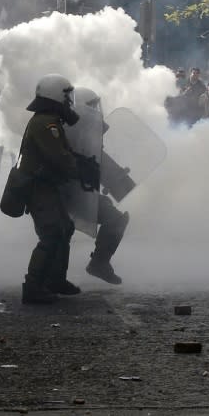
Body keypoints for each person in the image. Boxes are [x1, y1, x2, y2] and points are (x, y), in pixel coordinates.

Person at [17, 74, 98, 304]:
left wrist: (81, 161)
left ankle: (55, 280)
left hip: (46, 184)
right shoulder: (46, 123)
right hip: (37, 186)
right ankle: (33, 287)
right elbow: (59, 157)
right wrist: (81, 168)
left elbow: (63, 153)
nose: (69, 103)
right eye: (66, 97)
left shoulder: (50, 120)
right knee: (52, 232)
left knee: (65, 228)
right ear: (54, 96)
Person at [69, 87, 130, 285]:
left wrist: (118, 179)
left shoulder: (78, 127)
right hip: (68, 191)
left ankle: (98, 263)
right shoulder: (76, 129)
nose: (97, 109)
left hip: (78, 191)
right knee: (57, 235)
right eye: (92, 105)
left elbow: (98, 160)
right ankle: (98, 263)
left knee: (115, 219)